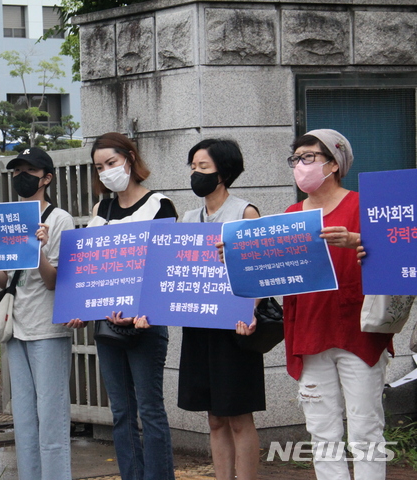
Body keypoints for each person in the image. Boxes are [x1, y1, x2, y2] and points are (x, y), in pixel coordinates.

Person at [0, 147, 75, 480]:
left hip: (48, 330)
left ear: (46, 178)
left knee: (51, 419)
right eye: (17, 171)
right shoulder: (10, 217)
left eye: (29, 172)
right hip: (16, 328)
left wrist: (36, 249)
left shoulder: (59, 219)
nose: (22, 177)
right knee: (23, 420)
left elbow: (53, 282)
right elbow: (5, 279)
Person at [283, 129, 393, 479]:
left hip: (359, 333)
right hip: (311, 333)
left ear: (334, 163)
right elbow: (275, 269)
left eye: (309, 158)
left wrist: (360, 241)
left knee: (366, 429)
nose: (300, 166)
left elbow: (397, 258)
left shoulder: (364, 206)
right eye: (296, 159)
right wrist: (238, 257)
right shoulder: (291, 213)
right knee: (321, 432)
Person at [68, 132, 177, 480]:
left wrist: (146, 310)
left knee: (150, 409)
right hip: (107, 326)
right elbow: (93, 269)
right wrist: (81, 307)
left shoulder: (160, 205)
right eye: (99, 167)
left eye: (111, 163)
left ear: (130, 159)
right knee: (121, 412)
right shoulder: (101, 209)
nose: (106, 171)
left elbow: (164, 268)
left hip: (146, 324)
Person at [177, 139, 263, 480]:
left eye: (204, 167)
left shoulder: (245, 212)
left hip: (235, 329)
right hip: (199, 326)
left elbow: (258, 271)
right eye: (193, 167)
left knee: (238, 416)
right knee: (214, 417)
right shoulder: (189, 218)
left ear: (223, 173)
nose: (196, 174)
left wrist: (250, 313)